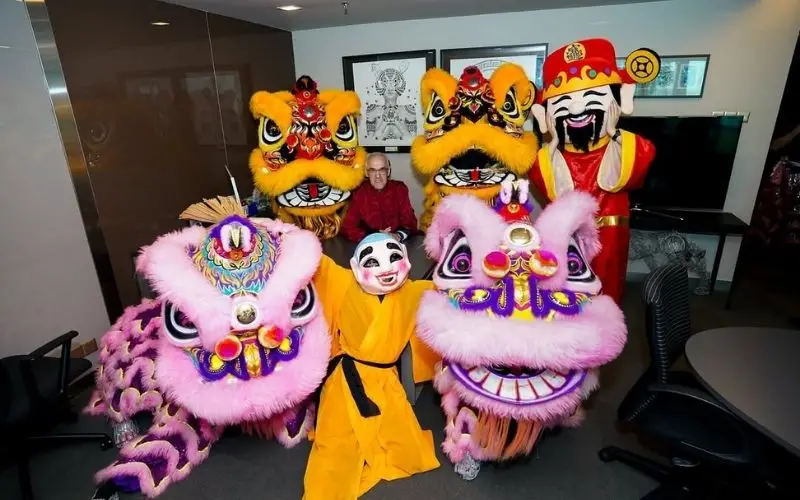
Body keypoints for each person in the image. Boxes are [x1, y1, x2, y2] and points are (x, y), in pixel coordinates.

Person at [304, 233, 440, 499]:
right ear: (355, 268)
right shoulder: (342, 284)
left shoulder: (415, 292)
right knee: (336, 448)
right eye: (372, 262)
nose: (386, 267)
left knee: (404, 448)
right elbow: (313, 260)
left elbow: (451, 293)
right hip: (347, 382)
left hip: (385, 381)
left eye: (393, 257)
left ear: (407, 262)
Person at [529, 38, 660, 305]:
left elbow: (623, 177)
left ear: (619, 100)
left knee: (606, 291)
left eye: (591, 97)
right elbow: (556, 192)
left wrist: (613, 132)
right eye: (564, 102)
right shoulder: (546, 159)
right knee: (563, 288)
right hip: (566, 235)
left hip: (610, 235)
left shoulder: (630, 147)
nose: (577, 109)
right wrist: (551, 143)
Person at [341, 152, 418, 242]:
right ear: (366, 173)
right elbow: (347, 227)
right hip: (370, 242)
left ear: (388, 171)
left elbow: (411, 224)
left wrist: (398, 235)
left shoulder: (399, 189)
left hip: (397, 243)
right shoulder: (359, 193)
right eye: (372, 170)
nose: (378, 176)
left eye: (382, 170)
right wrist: (374, 235)